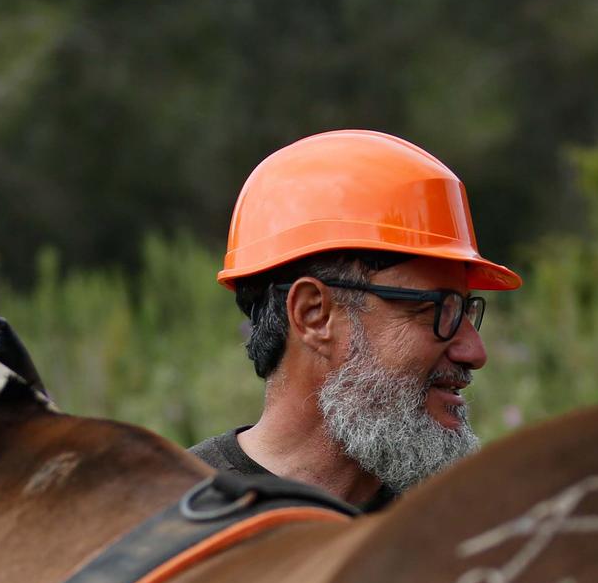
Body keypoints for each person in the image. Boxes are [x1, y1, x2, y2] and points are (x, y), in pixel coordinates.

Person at [191, 129, 520, 510]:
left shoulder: (457, 537)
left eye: (465, 311)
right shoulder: (162, 532)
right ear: (314, 315)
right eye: (434, 310)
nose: (474, 351)